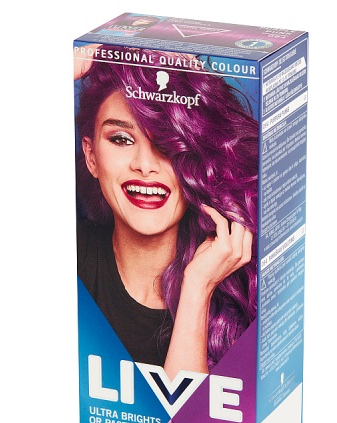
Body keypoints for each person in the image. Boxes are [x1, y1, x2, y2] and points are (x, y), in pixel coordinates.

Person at [74, 45, 258, 379]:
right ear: (91, 156)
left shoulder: (241, 295)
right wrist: (90, 54)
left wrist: (198, 288)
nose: (145, 166)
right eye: (121, 139)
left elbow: (188, 415)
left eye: (166, 143)